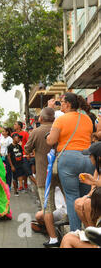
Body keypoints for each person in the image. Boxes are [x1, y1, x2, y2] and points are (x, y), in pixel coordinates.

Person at [46, 93, 95, 231]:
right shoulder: (87, 119)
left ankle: (75, 233)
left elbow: (51, 140)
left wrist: (48, 136)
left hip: (69, 159)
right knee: (85, 198)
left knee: (72, 198)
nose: (60, 105)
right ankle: (89, 232)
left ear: (67, 104)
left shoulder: (61, 120)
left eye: (61, 102)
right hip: (88, 158)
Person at [24, 107, 59, 247]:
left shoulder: (36, 132)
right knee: (69, 199)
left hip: (44, 174)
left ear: (41, 118)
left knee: (47, 207)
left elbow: (27, 148)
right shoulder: (60, 128)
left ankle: (53, 238)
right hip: (62, 171)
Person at [75, 141, 101, 228]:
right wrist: (85, 196)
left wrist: (93, 181)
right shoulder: (97, 169)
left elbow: (96, 184)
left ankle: (93, 233)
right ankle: (88, 231)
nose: (89, 157)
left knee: (87, 203)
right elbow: (93, 189)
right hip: (97, 198)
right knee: (78, 203)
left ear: (99, 158)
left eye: (91, 155)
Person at [12, 121, 31, 191]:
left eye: (15, 124)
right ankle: (19, 185)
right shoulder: (13, 134)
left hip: (23, 154)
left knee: (24, 170)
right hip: (15, 155)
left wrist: (28, 153)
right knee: (17, 170)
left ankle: (25, 183)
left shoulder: (25, 133)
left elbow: (29, 143)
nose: (14, 125)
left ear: (19, 126)